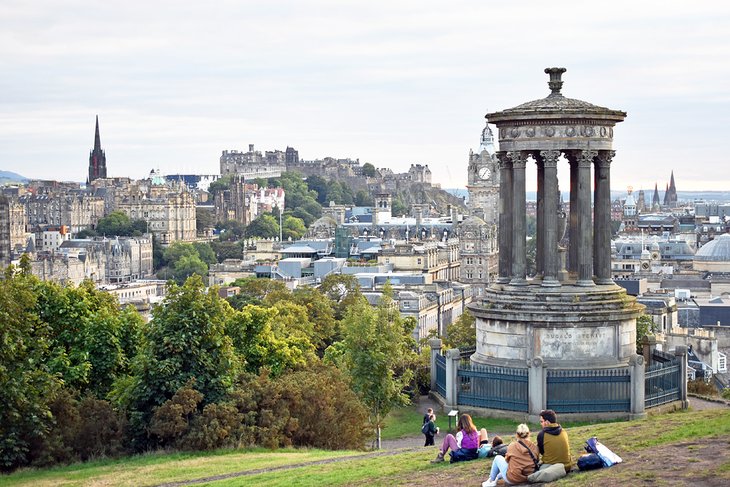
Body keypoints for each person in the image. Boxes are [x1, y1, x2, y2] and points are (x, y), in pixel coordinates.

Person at [537, 409, 573, 473]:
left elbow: (542, 452)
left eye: (541, 421)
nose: (541, 424)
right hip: (567, 466)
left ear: (547, 422)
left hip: (550, 466)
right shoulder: (563, 431)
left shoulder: (542, 434)